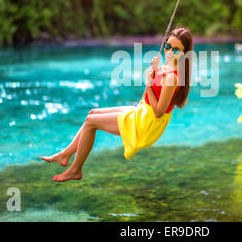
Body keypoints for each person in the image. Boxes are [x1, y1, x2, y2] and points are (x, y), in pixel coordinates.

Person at [41, 26, 193, 182]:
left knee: (90, 122)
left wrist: (148, 84)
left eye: (175, 50)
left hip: (147, 122)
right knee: (93, 113)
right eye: (168, 46)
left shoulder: (172, 78)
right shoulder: (166, 67)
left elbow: (159, 112)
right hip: (142, 110)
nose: (169, 52)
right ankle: (65, 155)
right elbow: (155, 91)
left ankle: (75, 169)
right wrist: (155, 70)